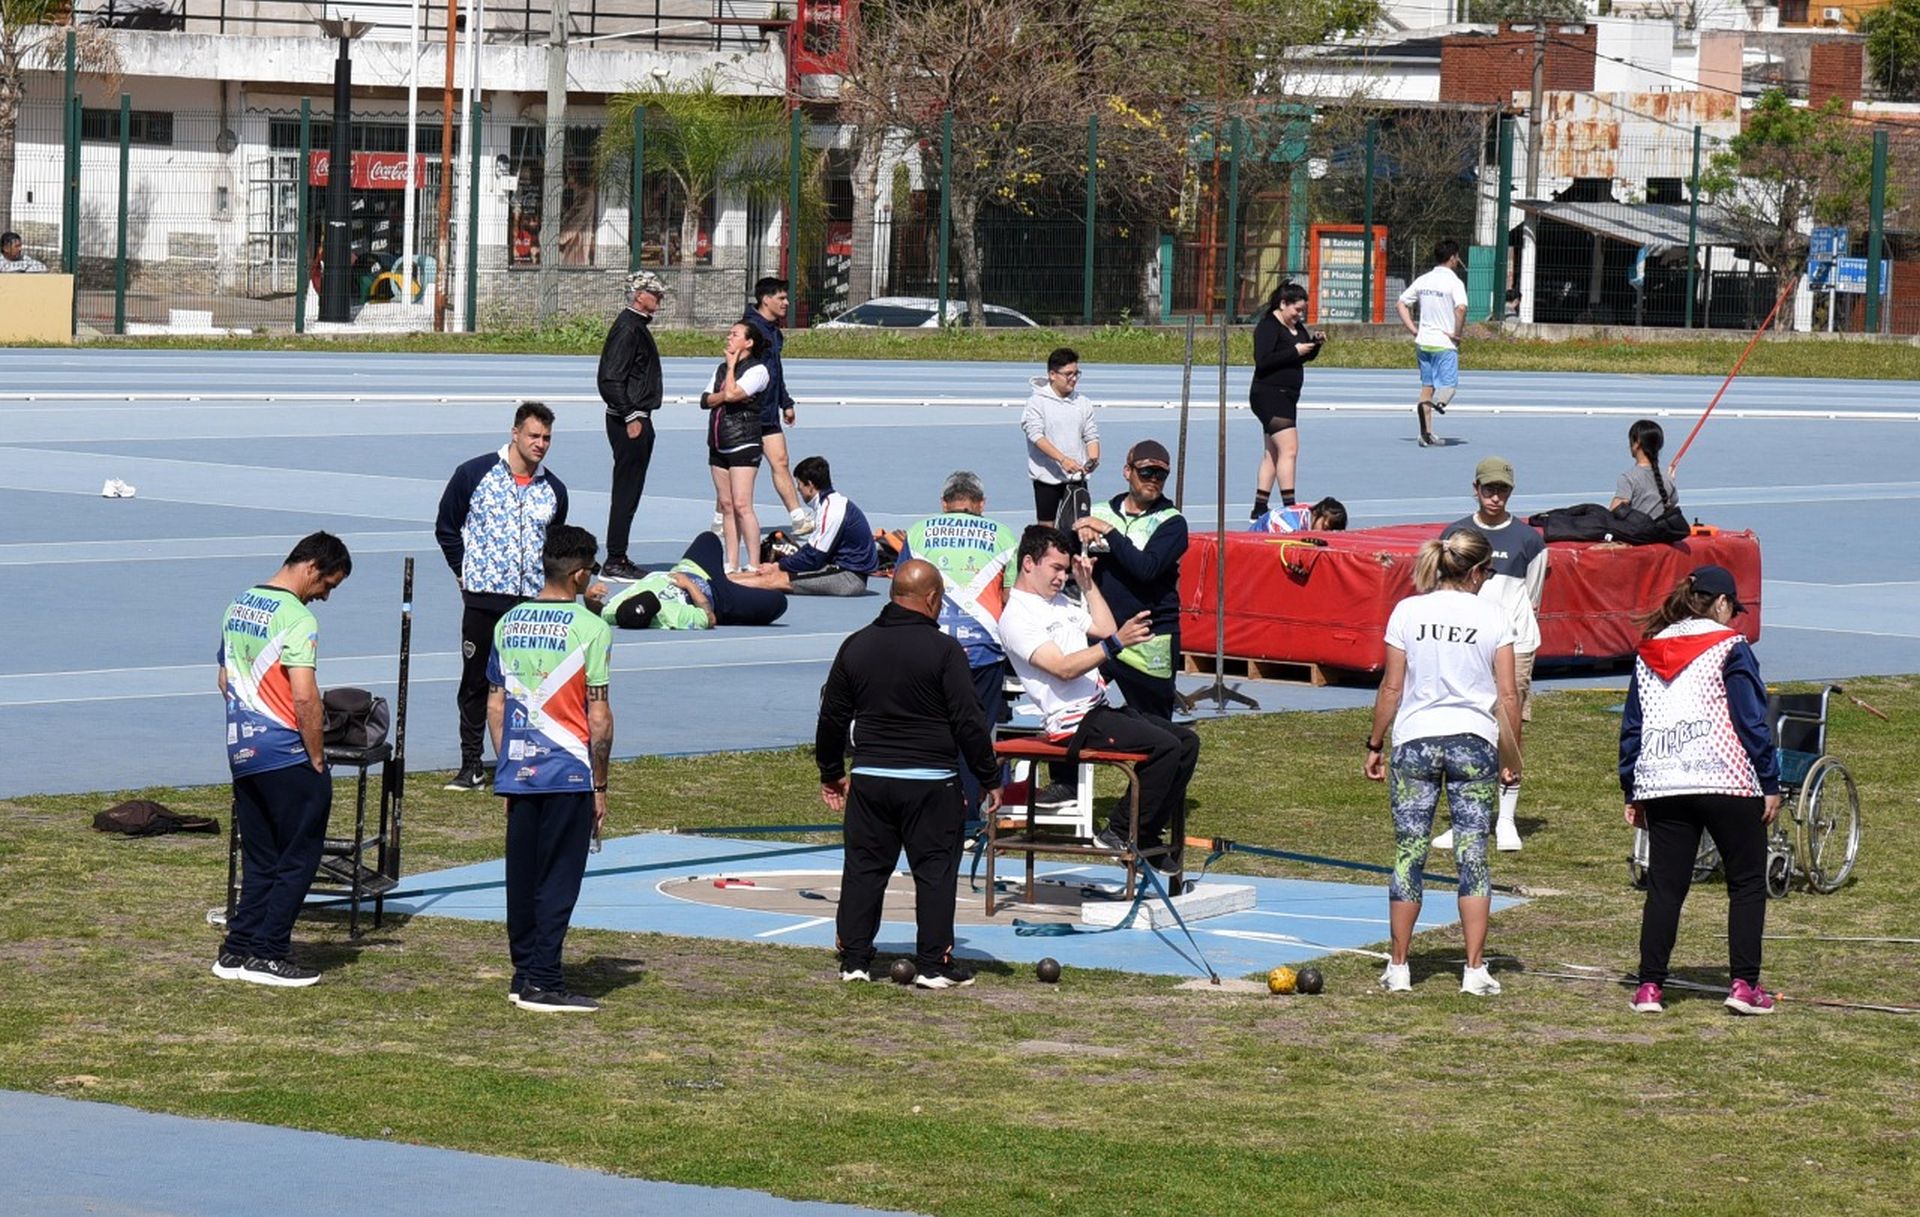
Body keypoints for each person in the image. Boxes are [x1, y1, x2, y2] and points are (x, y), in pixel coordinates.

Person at [816, 559, 1001, 989]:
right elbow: (969, 721)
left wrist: (831, 771)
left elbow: (832, 716)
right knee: (935, 872)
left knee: (864, 869)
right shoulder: (945, 651)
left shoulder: (856, 645)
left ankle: (855, 960)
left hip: (871, 778)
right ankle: (934, 964)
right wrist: (989, 777)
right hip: (931, 783)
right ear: (932, 598)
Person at [1363, 529, 1521, 997]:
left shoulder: (1407, 611)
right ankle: (1474, 970)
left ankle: (1399, 966)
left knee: (1409, 852)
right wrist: (1512, 756)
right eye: (1487, 572)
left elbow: (1392, 687)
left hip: (1416, 740)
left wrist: (1375, 742)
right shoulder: (1494, 616)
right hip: (1474, 741)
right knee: (1472, 855)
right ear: (1476, 572)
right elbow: (1508, 695)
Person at [1619, 565, 1780, 1016]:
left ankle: (1649, 986)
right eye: (1733, 608)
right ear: (1723, 603)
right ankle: (1744, 985)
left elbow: (1633, 727)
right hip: (1727, 780)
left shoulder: (1650, 649)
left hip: (1664, 781)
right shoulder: (1731, 646)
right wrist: (1769, 780)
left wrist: (1632, 788)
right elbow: (1751, 720)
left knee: (1665, 888)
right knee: (1746, 883)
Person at [999, 524, 1199, 865]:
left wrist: (1088, 586)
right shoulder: (1017, 617)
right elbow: (1062, 668)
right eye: (1056, 568)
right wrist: (1116, 644)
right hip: (1073, 723)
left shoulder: (1058, 602)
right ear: (1029, 563)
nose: (1062, 577)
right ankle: (1119, 831)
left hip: (1097, 710)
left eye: (1066, 570)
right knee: (1165, 747)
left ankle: (1144, 832)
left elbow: (1105, 628)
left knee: (1186, 742)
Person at [213, 531, 353, 988]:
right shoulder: (297, 618)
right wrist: (316, 756)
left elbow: (224, 679)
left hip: (242, 750)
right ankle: (270, 953)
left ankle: (236, 949)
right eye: (327, 585)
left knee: (260, 859)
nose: (325, 597)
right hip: (286, 753)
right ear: (311, 567)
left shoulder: (238, 604)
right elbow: (305, 697)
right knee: (298, 857)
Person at [487, 525, 615, 1013]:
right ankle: (544, 980)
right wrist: (600, 783)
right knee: (559, 878)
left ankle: (524, 972)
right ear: (579, 574)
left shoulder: (508, 623)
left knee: (522, 876)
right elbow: (598, 718)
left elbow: (495, 707)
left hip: (519, 768)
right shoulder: (591, 629)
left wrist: (507, 767)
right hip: (568, 771)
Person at [435, 402, 569, 792]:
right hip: (483, 599)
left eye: (546, 438)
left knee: (530, 685)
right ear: (515, 433)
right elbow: (446, 527)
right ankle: (471, 764)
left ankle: (531, 760)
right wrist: (463, 571)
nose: (540, 444)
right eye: (534, 436)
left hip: (531, 604)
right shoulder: (473, 474)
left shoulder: (554, 490)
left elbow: (555, 546)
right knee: (476, 682)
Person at [1435, 455, 1543, 852]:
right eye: (1488, 488)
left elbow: (1533, 597)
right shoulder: (1455, 534)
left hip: (1515, 643)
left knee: (1509, 727)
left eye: (1502, 490)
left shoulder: (1529, 541)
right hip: (1466, 643)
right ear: (1475, 488)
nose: (1495, 496)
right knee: (1462, 727)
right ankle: (1465, 817)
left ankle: (1507, 819)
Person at [897, 470, 1020, 815]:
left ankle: (922, 811)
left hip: (928, 648)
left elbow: (902, 591)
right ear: (982, 504)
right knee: (975, 733)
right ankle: (966, 817)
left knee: (926, 729)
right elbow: (1010, 597)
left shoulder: (919, 532)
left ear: (943, 503)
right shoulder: (1004, 535)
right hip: (983, 651)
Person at [1072, 440, 1188, 721]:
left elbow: (1146, 569)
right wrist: (1078, 535)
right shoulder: (1097, 512)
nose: (1153, 480)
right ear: (1128, 471)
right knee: (1074, 715)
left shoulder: (1172, 522)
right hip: (1100, 633)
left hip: (1149, 637)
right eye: (1146, 472)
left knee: (1155, 725)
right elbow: (1065, 556)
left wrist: (1108, 532)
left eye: (1161, 475)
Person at [597, 270, 666, 581]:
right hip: (630, 420)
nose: (660, 297)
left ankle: (617, 556)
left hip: (635, 416)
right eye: (655, 292)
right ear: (640, 296)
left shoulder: (635, 325)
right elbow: (610, 379)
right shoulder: (628, 328)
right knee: (627, 490)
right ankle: (615, 559)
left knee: (630, 490)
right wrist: (630, 415)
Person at [733, 456, 878, 596]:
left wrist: (778, 566)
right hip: (840, 570)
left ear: (810, 485)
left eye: (799, 484)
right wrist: (780, 566)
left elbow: (813, 557)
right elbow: (812, 550)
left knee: (774, 579)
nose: (798, 489)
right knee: (773, 573)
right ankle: (723, 580)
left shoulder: (832, 510)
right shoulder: (830, 504)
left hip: (847, 578)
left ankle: (722, 587)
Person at [738, 276, 814, 539]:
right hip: (747, 413)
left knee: (780, 461)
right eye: (781, 298)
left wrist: (786, 402)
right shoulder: (748, 329)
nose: (786, 302)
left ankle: (798, 517)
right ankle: (723, 515)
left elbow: (775, 371)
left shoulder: (774, 331)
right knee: (741, 469)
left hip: (769, 412)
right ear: (765, 299)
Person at [586, 532, 788, 630]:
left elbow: (599, 611)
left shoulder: (616, 611)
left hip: (691, 568)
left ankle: (733, 578)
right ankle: (732, 585)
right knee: (777, 602)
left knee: (708, 538)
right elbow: (709, 618)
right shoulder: (672, 616)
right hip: (715, 594)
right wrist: (689, 586)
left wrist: (589, 598)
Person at [699, 320, 771, 573]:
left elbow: (732, 394)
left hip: (743, 442)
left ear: (748, 342)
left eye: (735, 334)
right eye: (729, 333)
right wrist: (723, 392)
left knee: (742, 505)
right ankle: (732, 562)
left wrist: (731, 368)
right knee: (726, 505)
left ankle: (754, 563)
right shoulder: (719, 369)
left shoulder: (758, 370)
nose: (728, 337)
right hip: (718, 442)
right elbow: (705, 400)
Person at [1248, 280, 1322, 520]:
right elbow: (1263, 360)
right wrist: (1294, 351)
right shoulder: (1268, 326)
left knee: (1273, 452)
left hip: (1287, 396)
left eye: (1302, 311)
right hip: (1270, 394)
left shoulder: (1296, 327)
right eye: (1296, 310)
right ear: (1283, 304)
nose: (1299, 315)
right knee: (1290, 449)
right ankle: (1290, 507)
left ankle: (1259, 508)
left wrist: (1315, 345)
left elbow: (1302, 356)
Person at [1396, 239, 1469, 448]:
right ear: (1453, 258)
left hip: (1424, 342)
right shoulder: (1455, 282)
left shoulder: (1423, 280)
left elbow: (1401, 303)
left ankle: (1426, 433)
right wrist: (1457, 334)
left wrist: (1413, 330)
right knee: (1449, 387)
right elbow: (1461, 308)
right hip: (1444, 343)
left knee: (1427, 387)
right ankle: (1437, 405)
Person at [1021, 347, 1100, 523]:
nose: (1074, 378)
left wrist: (1093, 458)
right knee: (1046, 529)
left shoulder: (1083, 403)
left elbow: (1091, 435)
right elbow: (1036, 436)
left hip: (1076, 478)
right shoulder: (1036, 402)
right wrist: (1063, 460)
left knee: (1078, 526)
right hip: (1046, 478)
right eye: (1068, 374)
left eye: (1076, 373)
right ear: (1052, 375)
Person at [1610, 418, 1679, 517]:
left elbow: (1615, 511)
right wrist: (1669, 480)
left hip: (1637, 527)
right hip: (1660, 527)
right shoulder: (1667, 478)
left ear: (1637, 443)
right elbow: (1672, 502)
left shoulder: (1629, 478)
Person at [1250, 496, 1347, 534]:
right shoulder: (1285, 525)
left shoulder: (1312, 514)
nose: (1326, 534)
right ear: (1315, 513)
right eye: (1324, 528)